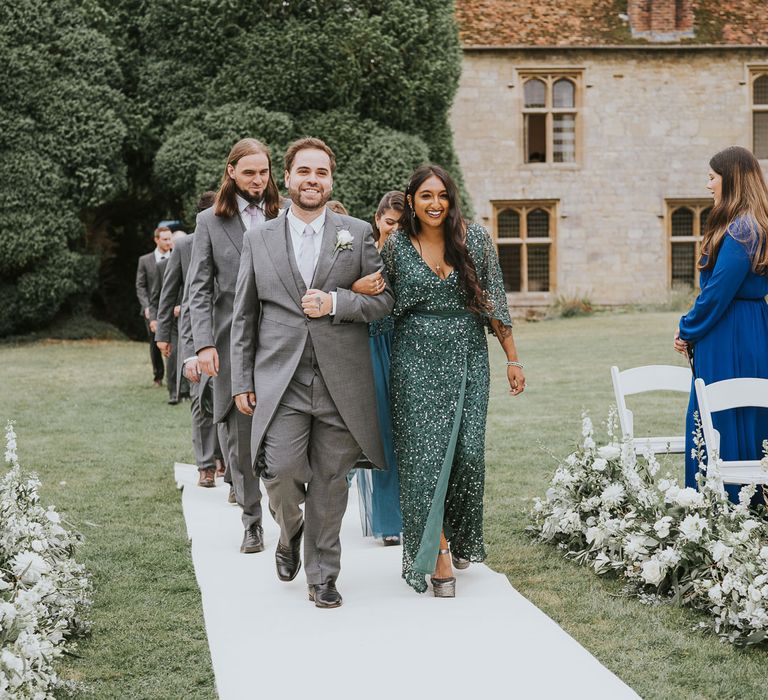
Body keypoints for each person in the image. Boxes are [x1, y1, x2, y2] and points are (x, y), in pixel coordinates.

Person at [230, 137, 394, 608]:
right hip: (281, 382)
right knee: (278, 470)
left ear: (330, 180)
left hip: (342, 381)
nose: (312, 180)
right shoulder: (258, 239)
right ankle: (290, 530)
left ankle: (323, 575)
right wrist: (242, 379)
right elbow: (243, 316)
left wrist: (337, 302)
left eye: (321, 173)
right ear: (288, 177)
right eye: (304, 171)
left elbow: (382, 300)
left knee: (331, 480)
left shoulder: (356, 231)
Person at [380, 164, 525, 597]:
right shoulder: (396, 246)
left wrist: (512, 359)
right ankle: (439, 555)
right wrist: (360, 290)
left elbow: (494, 299)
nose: (435, 203)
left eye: (442, 195)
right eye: (426, 195)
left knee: (466, 457)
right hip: (413, 360)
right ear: (411, 201)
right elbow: (383, 307)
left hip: (466, 355)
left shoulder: (475, 239)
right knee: (425, 459)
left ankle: (459, 535)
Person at [188, 139, 281, 553]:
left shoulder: (285, 213)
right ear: (231, 172)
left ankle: (286, 507)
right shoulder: (209, 221)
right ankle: (251, 520)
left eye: (263, 172)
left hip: (281, 339)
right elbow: (199, 289)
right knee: (239, 438)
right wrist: (204, 343)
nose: (258, 180)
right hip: (229, 345)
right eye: (249, 173)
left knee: (286, 427)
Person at [674, 145, 768, 502]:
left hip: (731, 331)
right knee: (746, 411)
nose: (708, 184)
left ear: (731, 180)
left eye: (712, 177)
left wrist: (687, 328)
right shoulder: (752, 224)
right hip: (751, 326)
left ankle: (723, 502)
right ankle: (749, 500)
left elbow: (717, 292)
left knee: (721, 413)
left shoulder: (742, 230)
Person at [156, 193, 220, 486]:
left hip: (230, 332)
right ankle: (205, 466)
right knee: (199, 399)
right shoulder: (184, 245)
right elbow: (169, 292)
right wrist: (163, 334)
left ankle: (229, 468)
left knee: (229, 401)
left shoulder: (240, 239)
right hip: (194, 333)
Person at [352, 191, 405, 545]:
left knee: (409, 435)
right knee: (382, 432)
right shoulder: (361, 251)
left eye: (402, 225)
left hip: (405, 347)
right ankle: (388, 520)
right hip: (371, 347)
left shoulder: (410, 254)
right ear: (377, 218)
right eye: (390, 223)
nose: (395, 231)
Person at [152, 230, 188, 404]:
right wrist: (159, 323)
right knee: (172, 356)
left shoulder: (197, 262)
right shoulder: (162, 266)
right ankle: (173, 392)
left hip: (190, 317)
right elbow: (158, 297)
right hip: (172, 321)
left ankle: (187, 391)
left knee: (189, 353)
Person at [136, 226, 172, 386]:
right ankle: (158, 376)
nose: (168, 242)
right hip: (153, 309)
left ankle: (175, 378)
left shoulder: (177, 257)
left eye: (170, 238)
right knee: (155, 343)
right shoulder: (145, 260)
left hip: (172, 308)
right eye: (164, 239)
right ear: (156, 240)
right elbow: (141, 285)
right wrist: (147, 307)